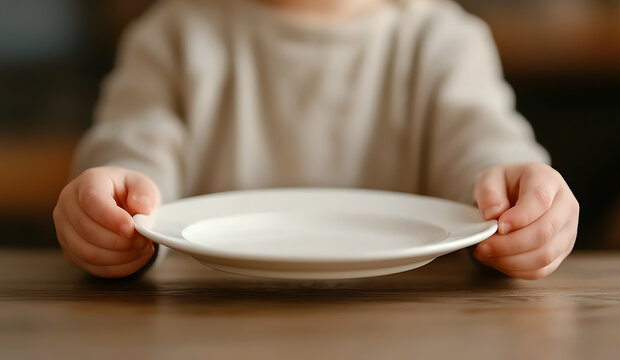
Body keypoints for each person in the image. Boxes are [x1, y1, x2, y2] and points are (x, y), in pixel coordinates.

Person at [53, 0, 579, 280]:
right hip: (205, 321)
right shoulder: (169, 35)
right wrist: (113, 202)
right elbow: (136, 154)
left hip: (414, 326)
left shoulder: (443, 41)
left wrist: (520, 194)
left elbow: (481, 143)